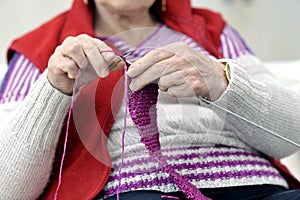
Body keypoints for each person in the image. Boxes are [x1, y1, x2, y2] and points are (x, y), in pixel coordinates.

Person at [0, 0, 299, 199]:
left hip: (258, 188)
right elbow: (8, 189)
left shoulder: (212, 30)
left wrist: (221, 79)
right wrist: (55, 87)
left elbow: (292, 135)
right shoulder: (42, 48)